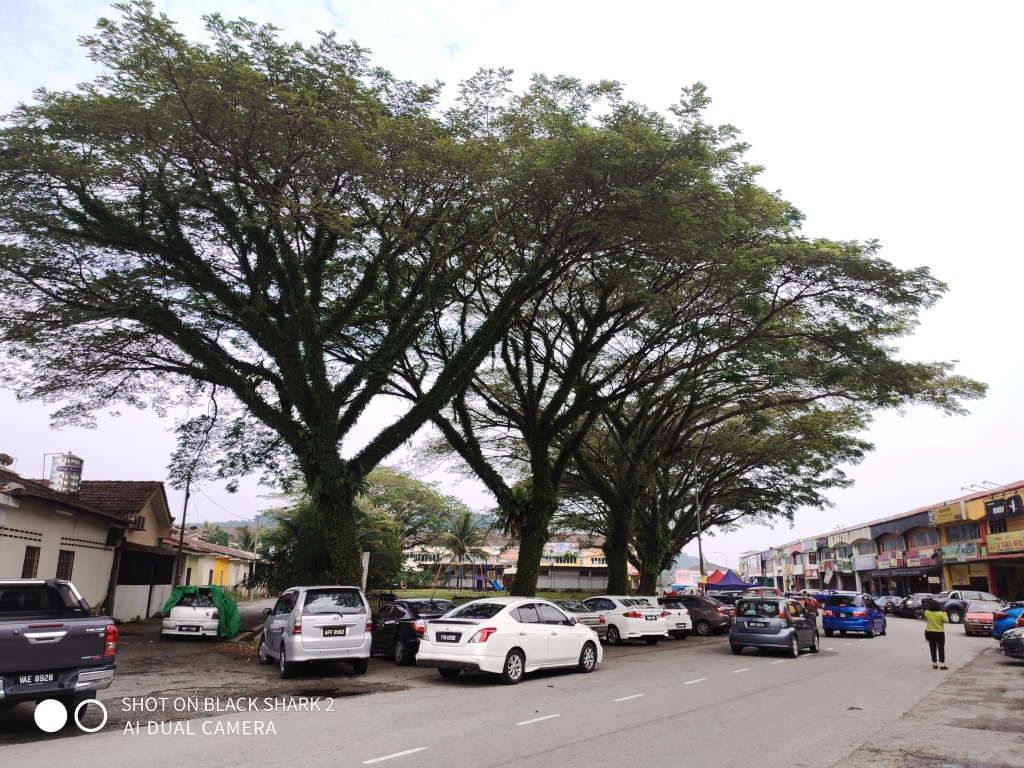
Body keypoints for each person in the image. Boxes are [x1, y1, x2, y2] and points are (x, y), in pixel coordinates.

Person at [923, 599, 948, 670]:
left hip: (930, 632)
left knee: (932, 648)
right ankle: (942, 664)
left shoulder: (927, 612)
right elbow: (946, 621)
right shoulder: (940, 613)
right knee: (941, 647)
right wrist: (946, 615)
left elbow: (926, 620)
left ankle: (934, 663)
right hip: (939, 632)